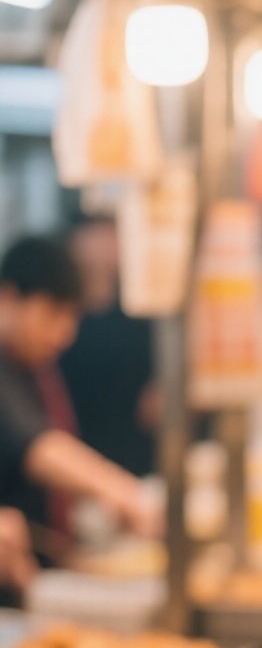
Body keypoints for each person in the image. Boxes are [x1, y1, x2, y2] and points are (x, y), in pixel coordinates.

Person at [0, 235, 159, 543]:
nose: (65, 333)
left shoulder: (33, 367)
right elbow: (37, 446)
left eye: (71, 316)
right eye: (53, 313)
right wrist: (129, 496)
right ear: (7, 297)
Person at [62, 216, 157, 476]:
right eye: (100, 233)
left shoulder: (139, 307)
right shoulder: (63, 311)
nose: (108, 244)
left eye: (113, 233)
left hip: (136, 450)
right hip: (77, 445)